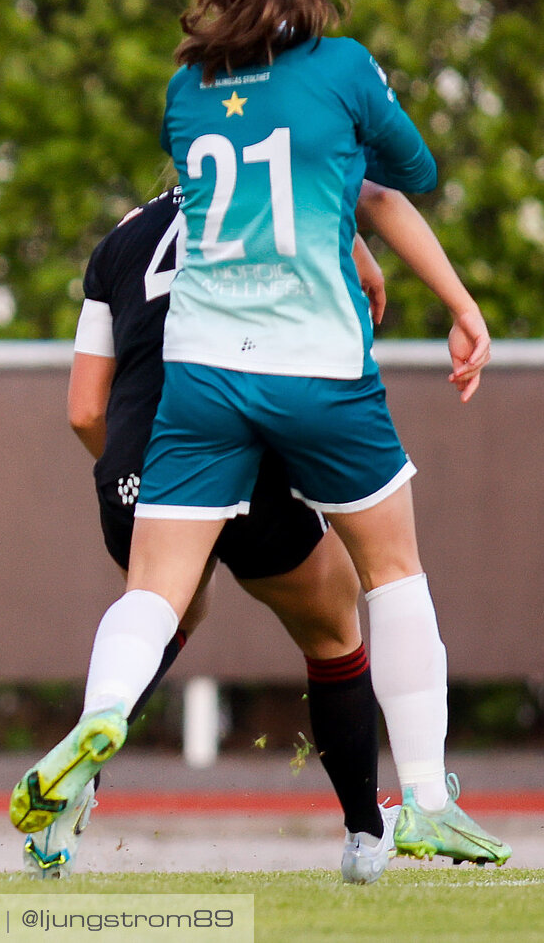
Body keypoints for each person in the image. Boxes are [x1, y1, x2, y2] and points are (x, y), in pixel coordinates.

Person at [10, 0, 509, 871]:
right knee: (391, 572)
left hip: (200, 380)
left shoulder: (187, 89)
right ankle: (422, 799)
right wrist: (451, 298)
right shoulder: (342, 71)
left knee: (155, 589)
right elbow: (397, 173)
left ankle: (102, 715)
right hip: (317, 367)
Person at [27, 179, 458, 884]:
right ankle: (364, 833)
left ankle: (82, 766)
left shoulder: (120, 241)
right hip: (241, 448)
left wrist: (148, 480)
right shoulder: (277, 210)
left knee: (162, 609)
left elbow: (83, 411)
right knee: (333, 626)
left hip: (137, 468)